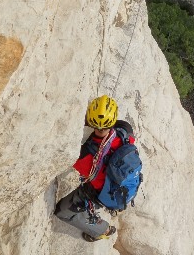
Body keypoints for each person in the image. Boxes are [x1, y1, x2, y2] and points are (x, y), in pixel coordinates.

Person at [54, 95, 135, 242]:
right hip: (125, 184)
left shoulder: (85, 157)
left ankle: (101, 230)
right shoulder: (125, 132)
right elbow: (119, 125)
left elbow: (63, 155)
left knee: (62, 211)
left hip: (99, 194)